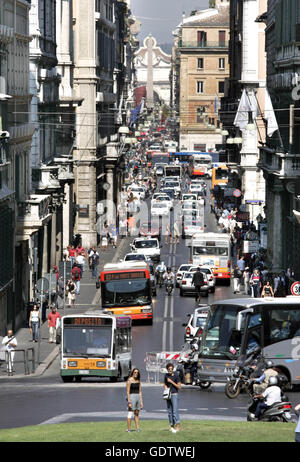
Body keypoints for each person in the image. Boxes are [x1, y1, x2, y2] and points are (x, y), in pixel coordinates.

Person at [164, 363, 181, 433]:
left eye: (171, 369)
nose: (170, 370)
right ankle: (171, 426)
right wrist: (165, 388)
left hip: (174, 394)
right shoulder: (166, 376)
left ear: (173, 369)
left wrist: (171, 382)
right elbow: (165, 383)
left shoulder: (177, 376)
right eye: (169, 369)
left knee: (175, 411)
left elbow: (179, 387)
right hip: (168, 395)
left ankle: (178, 425)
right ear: (167, 369)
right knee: (169, 412)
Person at [126, 368, 143, 432]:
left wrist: (141, 401)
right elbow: (127, 392)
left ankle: (137, 428)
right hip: (132, 397)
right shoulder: (129, 381)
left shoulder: (138, 381)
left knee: (137, 413)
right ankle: (129, 429)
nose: (136, 373)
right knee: (130, 413)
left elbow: (140, 391)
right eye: (135, 372)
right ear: (132, 373)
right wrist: (129, 401)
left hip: (138, 397)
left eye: (137, 372)